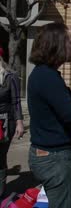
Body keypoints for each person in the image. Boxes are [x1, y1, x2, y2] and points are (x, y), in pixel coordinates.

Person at [27, 23, 71, 208]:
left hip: (48, 155)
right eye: (68, 41)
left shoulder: (46, 75)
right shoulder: (47, 77)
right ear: (56, 45)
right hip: (55, 159)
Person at [0, 55, 24, 197]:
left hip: (4, 122)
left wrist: (19, 122)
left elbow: (16, 101)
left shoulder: (10, 77)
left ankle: (1, 192)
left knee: (1, 157)